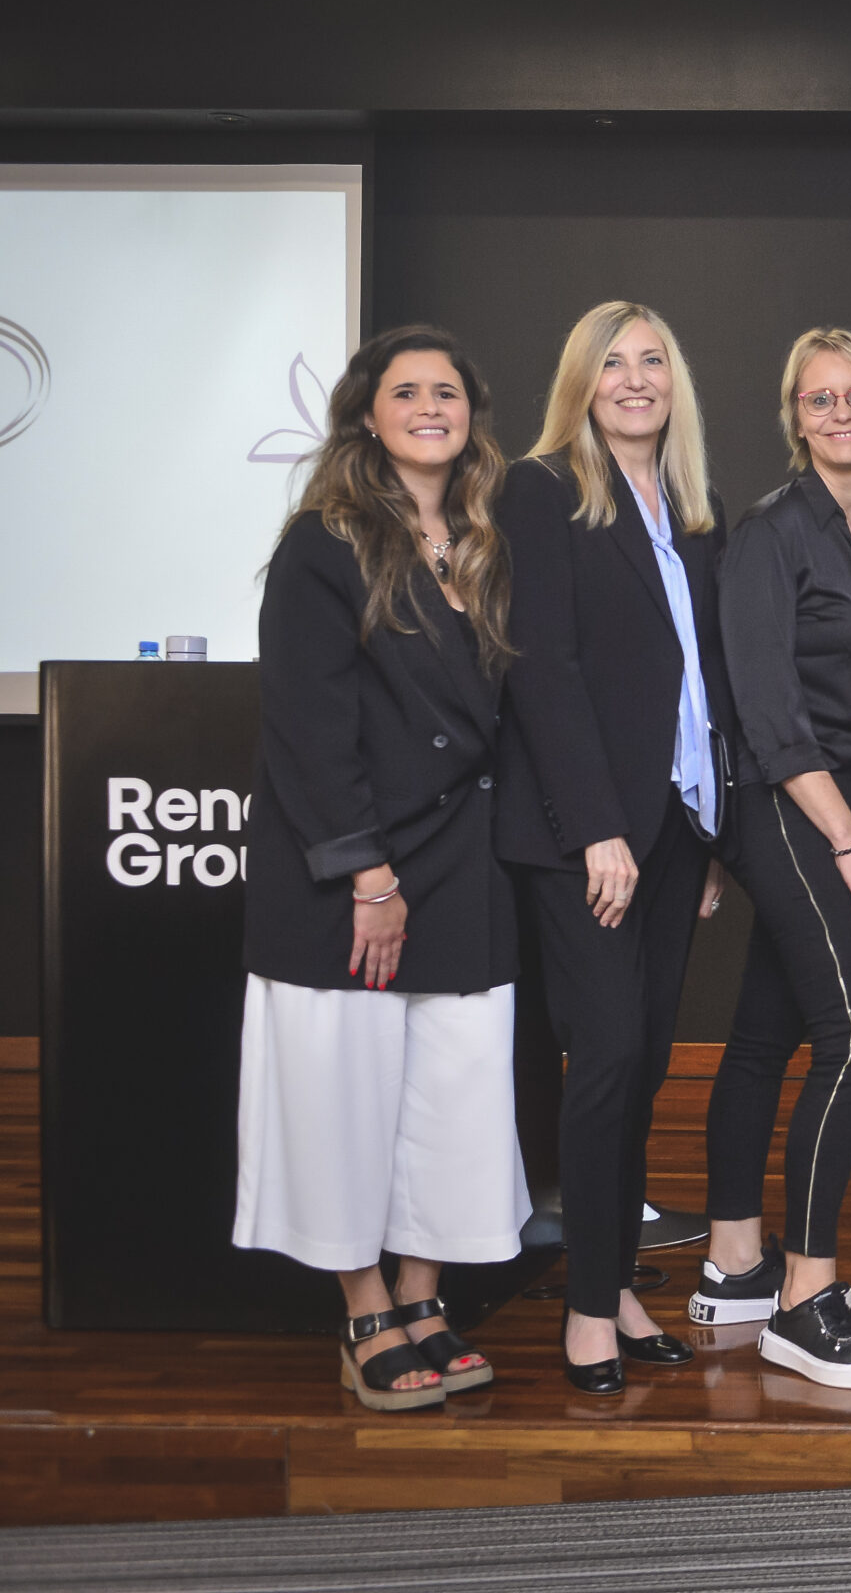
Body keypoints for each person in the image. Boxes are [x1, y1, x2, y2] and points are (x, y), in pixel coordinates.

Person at [235, 325, 526, 1411]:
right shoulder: (325, 542)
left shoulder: (491, 542)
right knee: (343, 1094)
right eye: (406, 391)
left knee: (453, 1098)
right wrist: (369, 877)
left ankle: (423, 1294)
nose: (429, 407)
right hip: (354, 872)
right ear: (368, 415)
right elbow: (309, 725)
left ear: (470, 414)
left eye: (447, 391)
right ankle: (363, 1307)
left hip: (468, 864)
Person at [497, 301, 732, 1396]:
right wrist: (597, 826)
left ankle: (615, 1277)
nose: (634, 380)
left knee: (638, 1069)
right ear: (580, 382)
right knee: (601, 1065)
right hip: (586, 833)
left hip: (677, 826)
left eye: (651, 362)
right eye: (612, 363)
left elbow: (700, 680)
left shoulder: (690, 506)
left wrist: (712, 826)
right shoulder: (543, 489)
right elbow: (541, 667)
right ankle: (588, 1313)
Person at [688, 329, 851, 1390]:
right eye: (819, 399)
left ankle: (735, 1262)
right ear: (794, 416)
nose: (841, 412)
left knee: (766, 1029)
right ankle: (805, 1297)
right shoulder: (773, 533)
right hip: (793, 800)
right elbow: (769, 714)